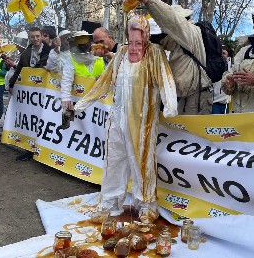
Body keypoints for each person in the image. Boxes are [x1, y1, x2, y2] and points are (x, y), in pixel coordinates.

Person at [74, 15, 177, 221]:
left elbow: (166, 79)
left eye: (138, 43)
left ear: (146, 39)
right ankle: (109, 204)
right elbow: (104, 81)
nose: (133, 47)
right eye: (131, 42)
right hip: (117, 118)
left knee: (142, 163)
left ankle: (146, 205)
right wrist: (83, 103)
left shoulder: (155, 53)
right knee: (114, 161)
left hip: (143, 122)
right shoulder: (120, 54)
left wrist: (170, 105)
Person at [127, 0, 212, 115]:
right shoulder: (175, 41)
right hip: (184, 97)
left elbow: (171, 20)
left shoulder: (190, 32)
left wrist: (148, 2)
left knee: (191, 134)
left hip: (197, 97)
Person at [61, 31, 105, 111]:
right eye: (81, 46)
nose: (83, 47)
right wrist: (66, 97)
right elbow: (67, 79)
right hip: (80, 99)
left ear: (90, 42)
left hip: (99, 101)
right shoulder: (71, 59)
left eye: (85, 45)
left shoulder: (100, 55)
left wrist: (103, 77)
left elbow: (111, 73)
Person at [8, 27, 52, 95]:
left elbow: (56, 68)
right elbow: (18, 70)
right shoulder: (25, 54)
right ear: (29, 38)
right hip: (29, 87)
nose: (35, 39)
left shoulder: (50, 52)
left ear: (41, 36)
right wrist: (11, 85)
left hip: (44, 87)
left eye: (37, 36)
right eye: (32, 37)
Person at [212, 46, 231, 114]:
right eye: (220, 53)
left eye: (224, 53)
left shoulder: (231, 69)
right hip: (215, 103)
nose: (222, 55)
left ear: (227, 55)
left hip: (226, 103)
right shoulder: (212, 67)